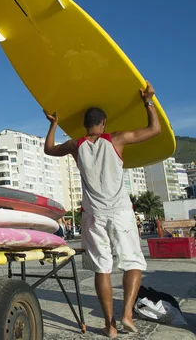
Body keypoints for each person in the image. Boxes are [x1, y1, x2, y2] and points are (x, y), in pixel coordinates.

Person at [42, 81, 161, 338]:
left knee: (102, 269)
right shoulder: (117, 139)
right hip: (120, 213)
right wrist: (147, 101)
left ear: (86, 125)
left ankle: (110, 325)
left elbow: (49, 149)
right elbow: (155, 129)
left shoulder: (76, 145)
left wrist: (53, 123)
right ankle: (127, 313)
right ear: (104, 123)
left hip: (93, 215)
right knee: (132, 262)